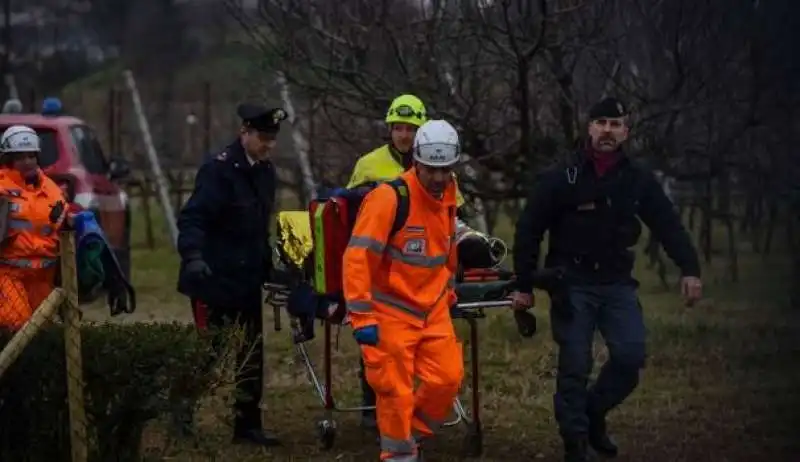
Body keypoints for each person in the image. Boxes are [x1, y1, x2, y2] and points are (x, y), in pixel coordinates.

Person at [510, 97, 703, 462]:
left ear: (626, 131)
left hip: (616, 282)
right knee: (575, 365)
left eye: (615, 124)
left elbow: (667, 223)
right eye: (601, 122)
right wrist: (523, 284)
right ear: (589, 128)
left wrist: (690, 268)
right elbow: (529, 228)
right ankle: (576, 444)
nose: (607, 131)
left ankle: (593, 413)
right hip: (571, 282)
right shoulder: (562, 174)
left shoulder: (637, 178)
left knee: (630, 357)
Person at [343, 119, 464, 461]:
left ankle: (409, 436)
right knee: (394, 391)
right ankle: (398, 455)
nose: (439, 178)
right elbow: (357, 258)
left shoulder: (450, 193)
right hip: (390, 311)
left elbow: (445, 250)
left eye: (445, 169)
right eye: (431, 170)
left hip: (433, 308)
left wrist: (449, 290)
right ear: (416, 162)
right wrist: (361, 315)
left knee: (447, 380)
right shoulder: (388, 199)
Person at [176, 103, 287, 446]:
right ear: (245, 133)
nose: (268, 144)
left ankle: (247, 424)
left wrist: (268, 263)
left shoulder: (265, 172)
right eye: (262, 137)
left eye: (272, 138)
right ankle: (179, 413)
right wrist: (193, 255)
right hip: (215, 278)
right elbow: (194, 218)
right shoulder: (219, 171)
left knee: (251, 353)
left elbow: (257, 226)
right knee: (210, 353)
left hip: (247, 278)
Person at [0, 125, 70, 330]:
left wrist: (71, 221)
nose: (28, 161)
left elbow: (61, 221)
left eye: (31, 156)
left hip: (44, 275)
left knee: (43, 329)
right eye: (21, 157)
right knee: (16, 322)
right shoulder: (2, 187)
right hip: (8, 272)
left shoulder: (50, 188)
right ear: (8, 159)